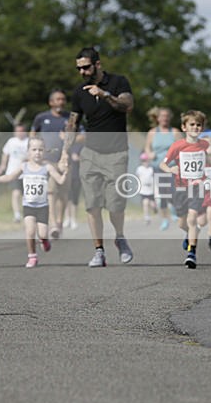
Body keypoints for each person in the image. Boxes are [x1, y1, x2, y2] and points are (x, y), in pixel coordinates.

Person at [66, 46, 134, 267]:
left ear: (97, 64)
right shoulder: (79, 92)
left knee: (115, 205)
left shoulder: (118, 82)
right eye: (79, 69)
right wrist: (64, 153)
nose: (82, 72)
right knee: (92, 205)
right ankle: (99, 251)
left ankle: (120, 237)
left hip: (117, 154)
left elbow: (127, 105)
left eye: (86, 67)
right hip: (91, 155)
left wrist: (104, 95)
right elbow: (73, 123)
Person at [160, 110, 211, 269]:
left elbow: (207, 158)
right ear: (184, 127)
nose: (195, 127)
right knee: (182, 223)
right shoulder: (177, 146)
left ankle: (192, 253)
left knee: (192, 218)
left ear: (202, 128)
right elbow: (163, 164)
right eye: (192, 124)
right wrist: (170, 170)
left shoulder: (204, 144)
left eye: (198, 125)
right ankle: (188, 234)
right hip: (181, 189)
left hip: (197, 188)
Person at [0, 137, 68, 268]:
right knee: (29, 231)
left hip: (43, 207)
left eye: (40, 150)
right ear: (28, 151)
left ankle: (45, 241)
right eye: (34, 150)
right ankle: (32, 256)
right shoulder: (24, 167)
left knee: (43, 234)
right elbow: (10, 177)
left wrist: (65, 172)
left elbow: (60, 180)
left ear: (44, 152)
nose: (37, 152)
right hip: (28, 205)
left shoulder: (47, 167)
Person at [31, 89, 72, 238]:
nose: (60, 102)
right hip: (47, 160)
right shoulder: (41, 118)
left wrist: (68, 138)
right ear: (51, 102)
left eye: (63, 99)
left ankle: (60, 221)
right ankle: (53, 223)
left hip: (65, 160)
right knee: (50, 192)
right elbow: (32, 135)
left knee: (63, 193)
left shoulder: (70, 118)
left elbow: (82, 137)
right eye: (57, 99)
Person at [143, 106, 182, 231]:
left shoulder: (175, 132)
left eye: (166, 116)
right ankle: (165, 219)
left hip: (172, 168)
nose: (164, 118)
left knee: (173, 192)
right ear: (158, 118)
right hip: (158, 167)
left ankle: (174, 211)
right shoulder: (152, 133)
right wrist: (149, 154)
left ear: (169, 118)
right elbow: (147, 148)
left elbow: (183, 147)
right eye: (162, 116)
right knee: (162, 195)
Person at [0, 123, 29, 222]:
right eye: (18, 131)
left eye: (21, 131)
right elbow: (5, 154)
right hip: (13, 172)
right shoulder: (11, 142)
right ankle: (17, 214)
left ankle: (27, 213)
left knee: (26, 195)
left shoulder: (29, 141)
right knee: (16, 193)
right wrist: (3, 165)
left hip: (26, 172)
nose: (20, 133)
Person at [136, 152, 156, 225]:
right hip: (143, 189)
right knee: (145, 202)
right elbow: (138, 177)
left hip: (151, 189)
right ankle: (146, 216)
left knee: (152, 204)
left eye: (146, 160)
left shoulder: (151, 169)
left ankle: (154, 208)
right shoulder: (139, 169)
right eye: (143, 161)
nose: (145, 162)